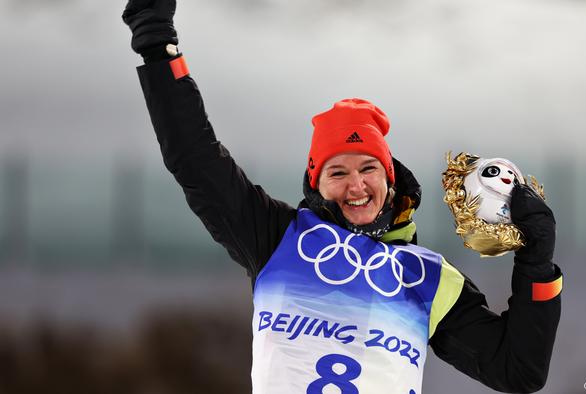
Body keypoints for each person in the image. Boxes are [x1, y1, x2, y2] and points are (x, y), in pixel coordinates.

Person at [122, 1, 563, 393]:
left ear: (390, 180)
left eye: (369, 168)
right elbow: (194, 158)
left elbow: (518, 372)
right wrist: (158, 45)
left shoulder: (428, 278)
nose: (356, 186)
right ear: (316, 183)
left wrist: (536, 265)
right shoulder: (277, 236)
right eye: (338, 172)